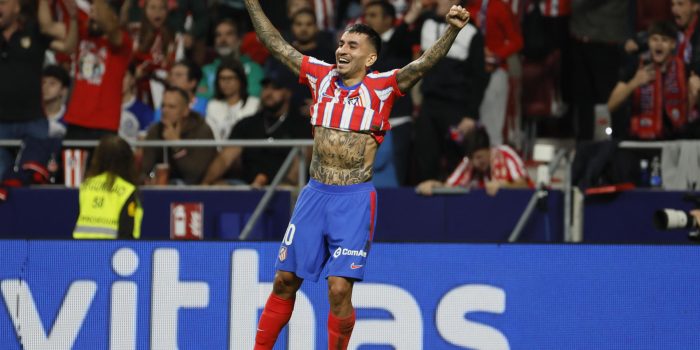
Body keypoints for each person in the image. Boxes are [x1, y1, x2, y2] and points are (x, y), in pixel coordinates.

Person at [244, 0, 471, 347]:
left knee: (338, 290)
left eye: (352, 45)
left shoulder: (384, 87)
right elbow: (275, 43)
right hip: (314, 194)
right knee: (283, 281)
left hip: (352, 201)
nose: (342, 50)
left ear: (370, 58)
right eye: (340, 44)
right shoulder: (320, 77)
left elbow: (424, 64)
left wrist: (453, 29)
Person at [0, 0, 77, 180]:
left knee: (34, 178)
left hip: (33, 121)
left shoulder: (34, 31)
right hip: (0, 123)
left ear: (17, 7)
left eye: (3, 3)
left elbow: (68, 46)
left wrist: (73, 19)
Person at [414, 0, 487, 183]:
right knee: (425, 159)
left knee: (456, 162)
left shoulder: (472, 33)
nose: (437, 1)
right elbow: (397, 45)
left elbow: (479, 77)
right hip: (429, 104)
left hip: (456, 107)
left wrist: (471, 114)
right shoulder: (425, 22)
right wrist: (411, 15)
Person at [201, 73, 311, 186]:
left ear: (288, 93)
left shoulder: (301, 124)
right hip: (246, 186)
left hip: (283, 188)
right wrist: (205, 184)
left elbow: (301, 161)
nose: (268, 93)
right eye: (266, 88)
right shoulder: (247, 123)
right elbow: (225, 158)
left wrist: (285, 187)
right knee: (218, 186)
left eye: (275, 88)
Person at [63, 0, 133, 141]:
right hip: (75, 122)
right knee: (71, 164)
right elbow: (47, 27)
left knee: (103, 164)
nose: (92, 15)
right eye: (92, 11)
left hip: (104, 126)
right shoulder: (83, 34)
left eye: (97, 11)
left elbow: (111, 29)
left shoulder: (124, 42)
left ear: (112, 16)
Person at [607, 21, 690, 140]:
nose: (658, 44)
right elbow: (610, 105)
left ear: (673, 44)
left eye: (664, 40)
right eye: (654, 39)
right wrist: (634, 83)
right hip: (640, 138)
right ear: (649, 42)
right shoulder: (636, 66)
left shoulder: (683, 69)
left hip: (676, 138)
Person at [416, 126, 531, 196]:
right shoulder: (468, 162)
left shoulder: (505, 154)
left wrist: (502, 186)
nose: (476, 163)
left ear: (489, 149)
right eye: (473, 159)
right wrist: (434, 185)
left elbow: (524, 185)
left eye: (480, 157)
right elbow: (449, 186)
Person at [141, 86, 216, 185]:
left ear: (185, 111)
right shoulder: (155, 130)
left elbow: (195, 175)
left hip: (196, 189)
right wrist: (148, 178)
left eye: (171, 107)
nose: (164, 111)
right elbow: (145, 169)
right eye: (163, 106)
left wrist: (177, 146)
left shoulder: (202, 131)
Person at [73, 135, 142, 239]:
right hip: (113, 251)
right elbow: (127, 230)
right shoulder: (127, 190)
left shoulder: (85, 186)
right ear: (127, 160)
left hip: (82, 250)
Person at [197, 18, 264, 99]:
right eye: (218, 35)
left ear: (240, 40)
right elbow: (200, 98)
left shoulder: (253, 68)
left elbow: (253, 95)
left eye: (229, 34)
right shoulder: (206, 70)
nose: (222, 39)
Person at [205, 58, 260, 142]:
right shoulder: (212, 105)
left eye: (230, 78)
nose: (226, 82)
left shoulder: (254, 104)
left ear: (240, 80)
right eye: (222, 78)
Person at [42, 64, 71, 138]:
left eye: (52, 83)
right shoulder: (32, 116)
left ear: (63, 90)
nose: (45, 87)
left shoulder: (70, 117)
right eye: (43, 82)